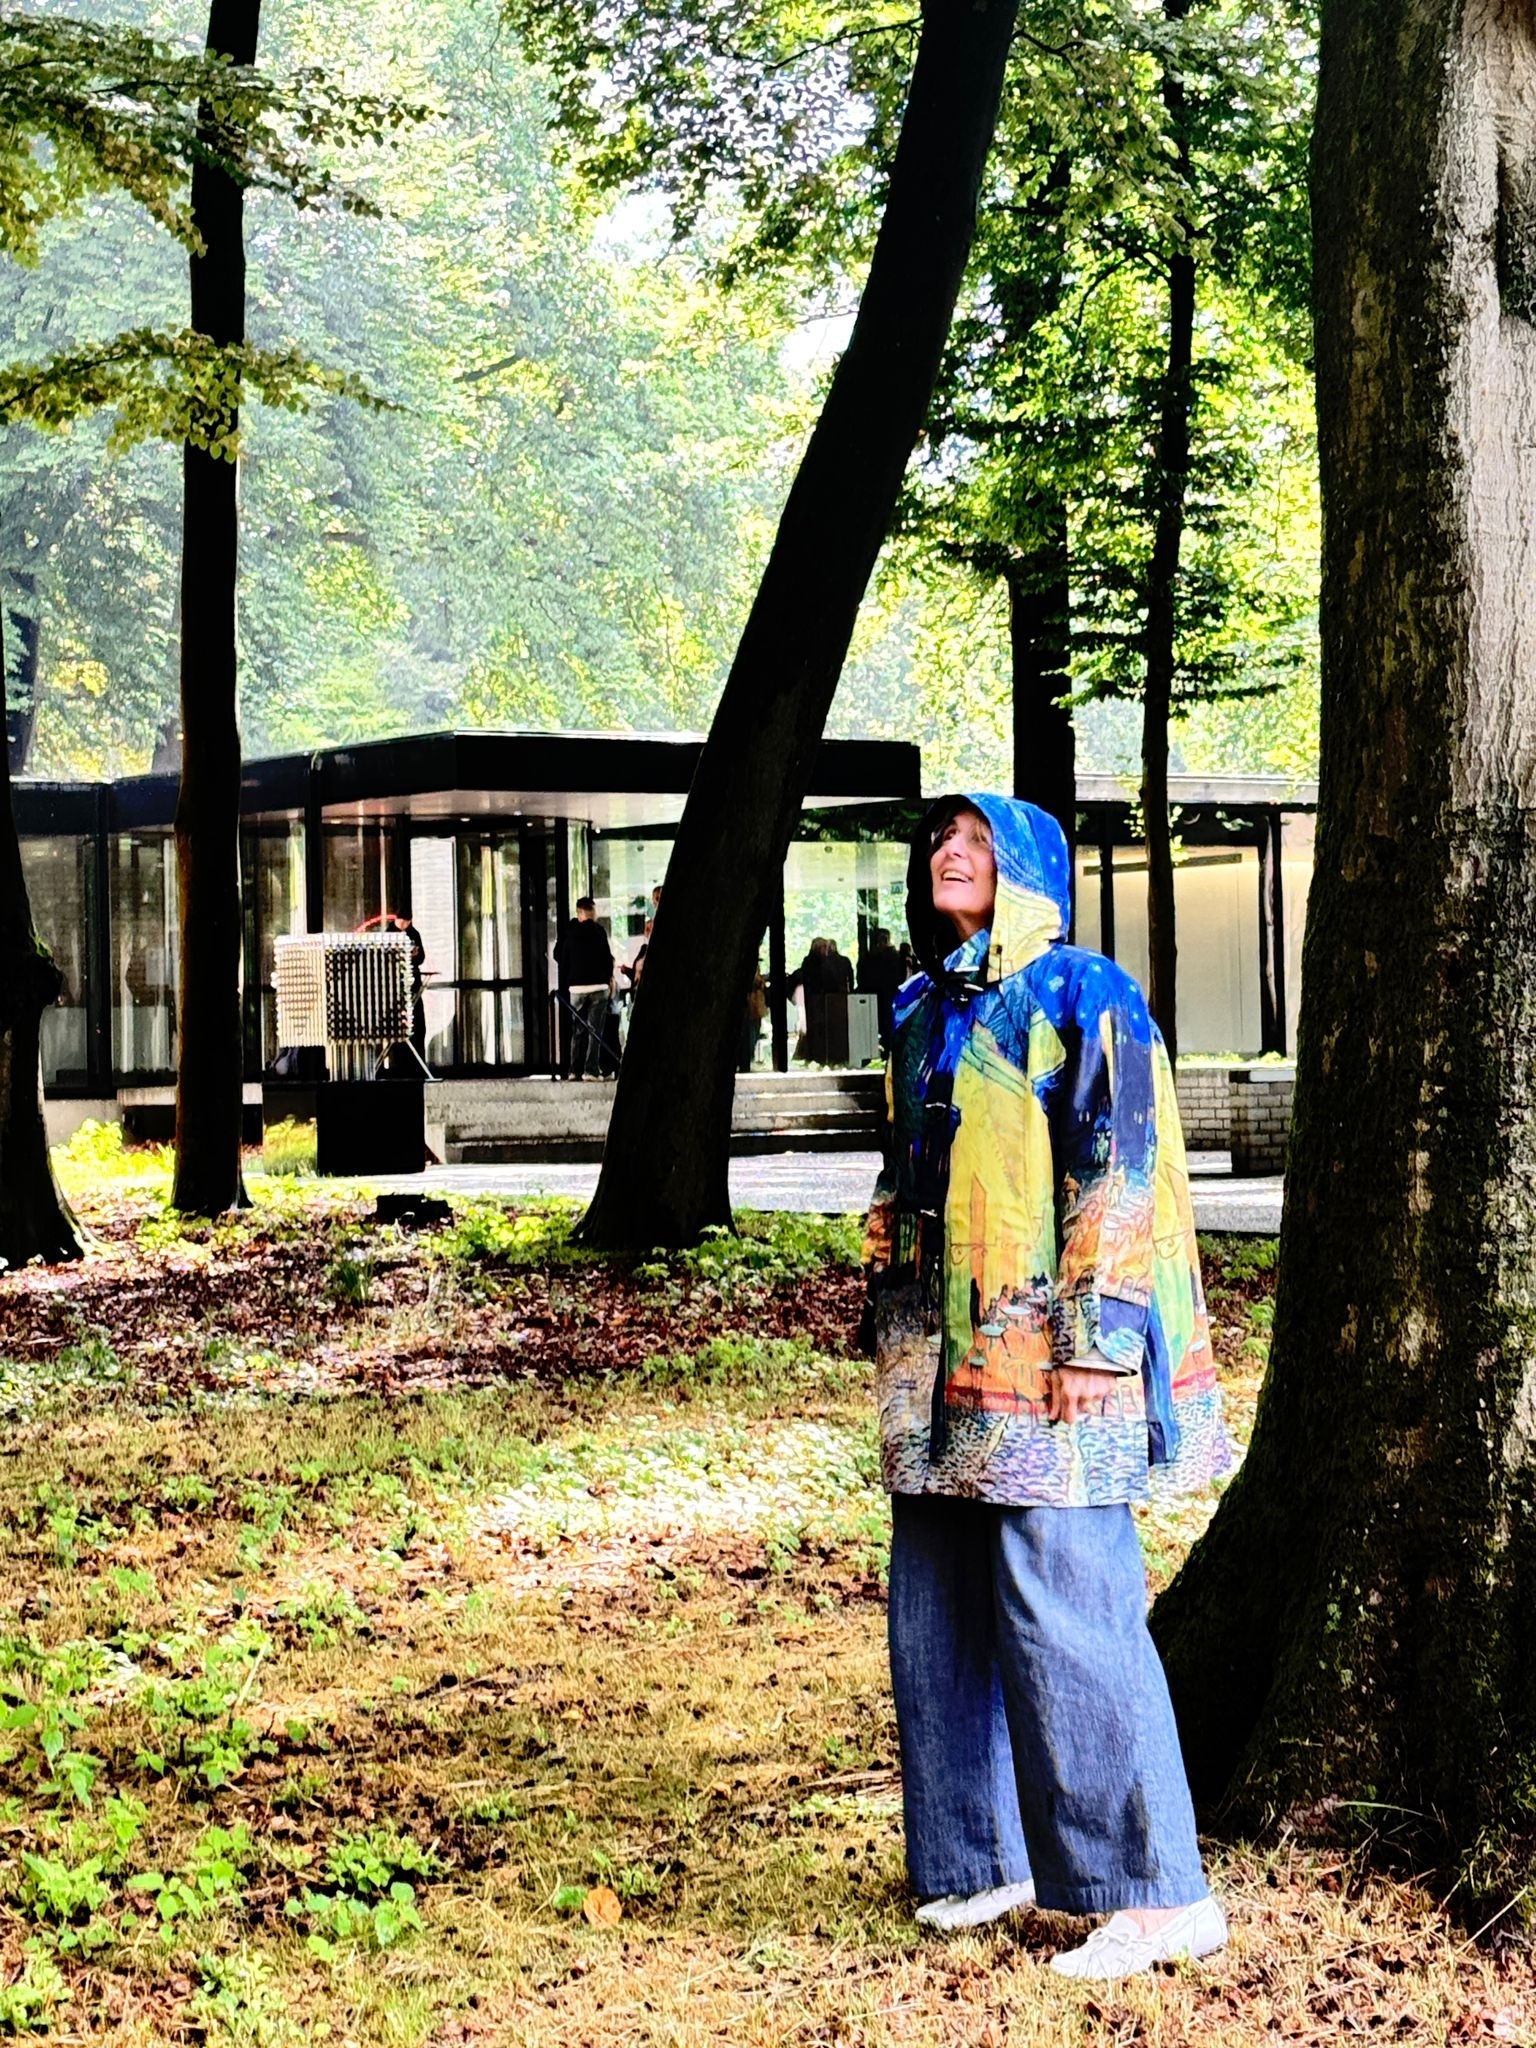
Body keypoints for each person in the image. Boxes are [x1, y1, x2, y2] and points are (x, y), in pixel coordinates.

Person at [862, 794, 1231, 1982]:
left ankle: (1157, 1886)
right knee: (938, 1596)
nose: (948, 853)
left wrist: (1099, 1331)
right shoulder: (921, 1007)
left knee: (1064, 1591)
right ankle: (978, 1856)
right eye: (938, 841)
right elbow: (913, 1153)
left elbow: (1126, 1161)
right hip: (933, 1357)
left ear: (1028, 868)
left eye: (975, 839)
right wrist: (884, 1229)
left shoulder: (1085, 989)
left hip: (1050, 1352)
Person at [553, 896, 614, 1080]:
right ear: (590, 912)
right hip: (598, 986)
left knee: (578, 1029)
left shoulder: (570, 933)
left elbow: (561, 958)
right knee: (595, 1030)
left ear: (579, 912)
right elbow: (607, 958)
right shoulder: (599, 932)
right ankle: (591, 1070)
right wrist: (608, 978)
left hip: (576, 988)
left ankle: (574, 1069)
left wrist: (567, 981)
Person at [856, 925, 906, 1055]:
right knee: (888, 1025)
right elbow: (901, 977)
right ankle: (888, 1050)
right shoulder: (895, 957)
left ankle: (875, 1051)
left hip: (874, 996)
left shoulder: (869, 958)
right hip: (890, 995)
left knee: (875, 1024)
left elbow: (862, 977)